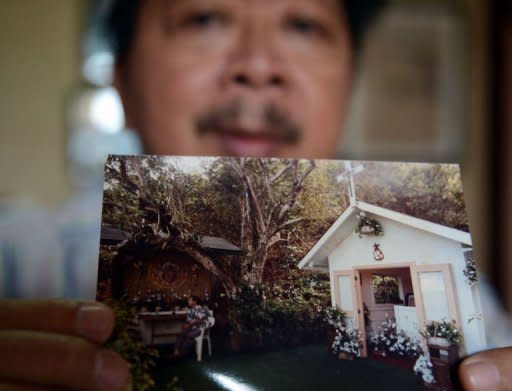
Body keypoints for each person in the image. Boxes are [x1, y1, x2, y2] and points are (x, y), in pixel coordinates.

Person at [0, 1, 510, 390]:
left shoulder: (472, 297)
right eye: (204, 17)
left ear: (348, 84)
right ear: (122, 84)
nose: (260, 65)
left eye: (304, 25)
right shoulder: (17, 259)